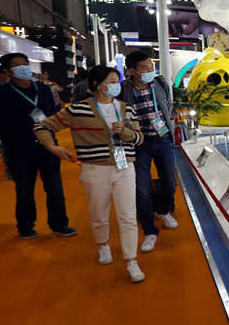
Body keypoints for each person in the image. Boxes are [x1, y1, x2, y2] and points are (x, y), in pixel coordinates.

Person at [34, 65, 146, 282]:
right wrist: (52, 146)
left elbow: (139, 139)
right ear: (97, 84)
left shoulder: (125, 108)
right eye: (112, 81)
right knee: (99, 214)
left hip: (125, 168)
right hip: (95, 169)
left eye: (117, 81)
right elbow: (42, 127)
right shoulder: (78, 110)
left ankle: (131, 260)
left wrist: (125, 132)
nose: (116, 86)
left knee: (128, 216)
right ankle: (103, 245)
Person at [0, 53, 76, 239]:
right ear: (7, 71)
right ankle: (25, 225)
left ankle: (59, 223)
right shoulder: (0, 95)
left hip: (48, 148)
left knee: (55, 188)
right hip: (19, 150)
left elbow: (51, 115)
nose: (23, 67)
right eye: (17, 65)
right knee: (24, 189)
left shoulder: (43, 89)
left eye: (25, 63)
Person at [119, 50, 178, 255]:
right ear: (133, 71)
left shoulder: (160, 84)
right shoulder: (122, 90)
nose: (151, 71)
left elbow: (167, 105)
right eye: (145, 68)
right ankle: (149, 231)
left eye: (152, 66)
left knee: (170, 182)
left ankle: (162, 211)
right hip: (139, 144)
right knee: (141, 188)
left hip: (162, 140)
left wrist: (168, 129)